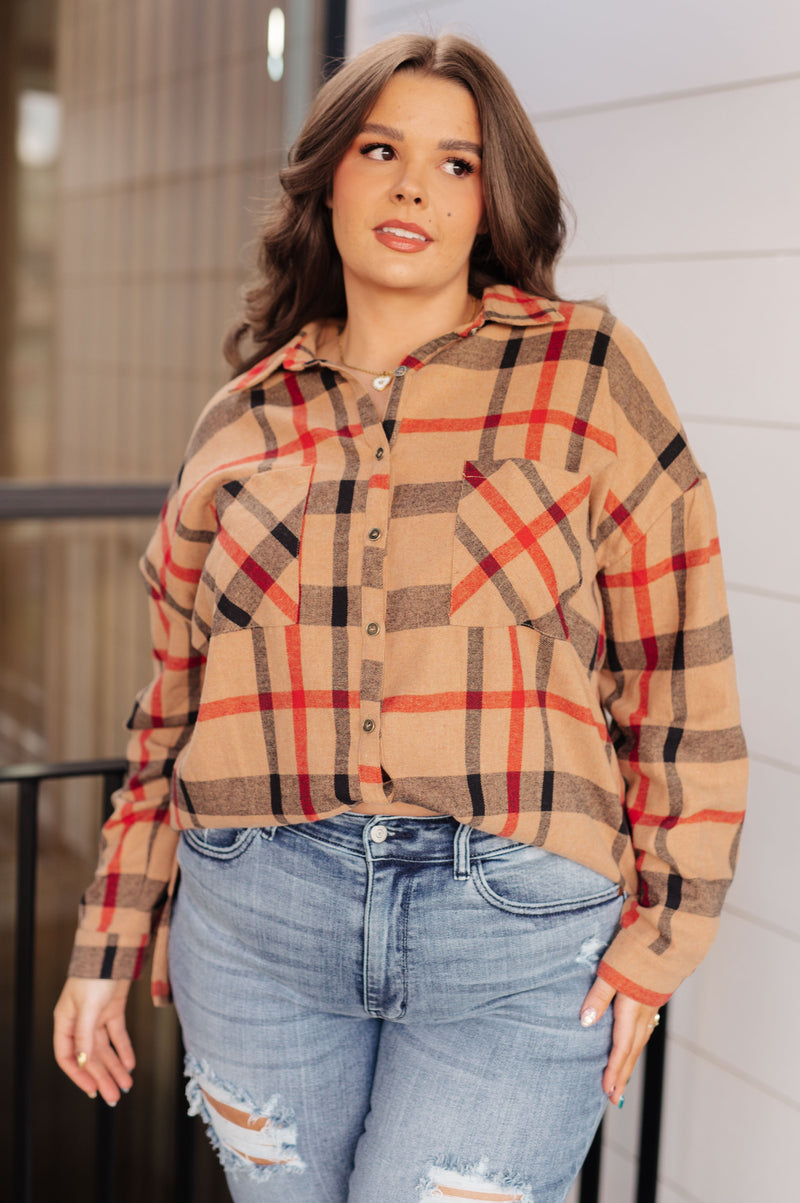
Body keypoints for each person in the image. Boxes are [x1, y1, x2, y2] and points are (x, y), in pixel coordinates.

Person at [54, 33, 747, 1203]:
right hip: (255, 918)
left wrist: (661, 938)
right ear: (329, 176)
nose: (413, 184)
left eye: (457, 162)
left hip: (519, 935)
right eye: (380, 148)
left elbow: (677, 668)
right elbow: (173, 706)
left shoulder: (584, 372)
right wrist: (106, 947)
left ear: (492, 202)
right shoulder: (241, 420)